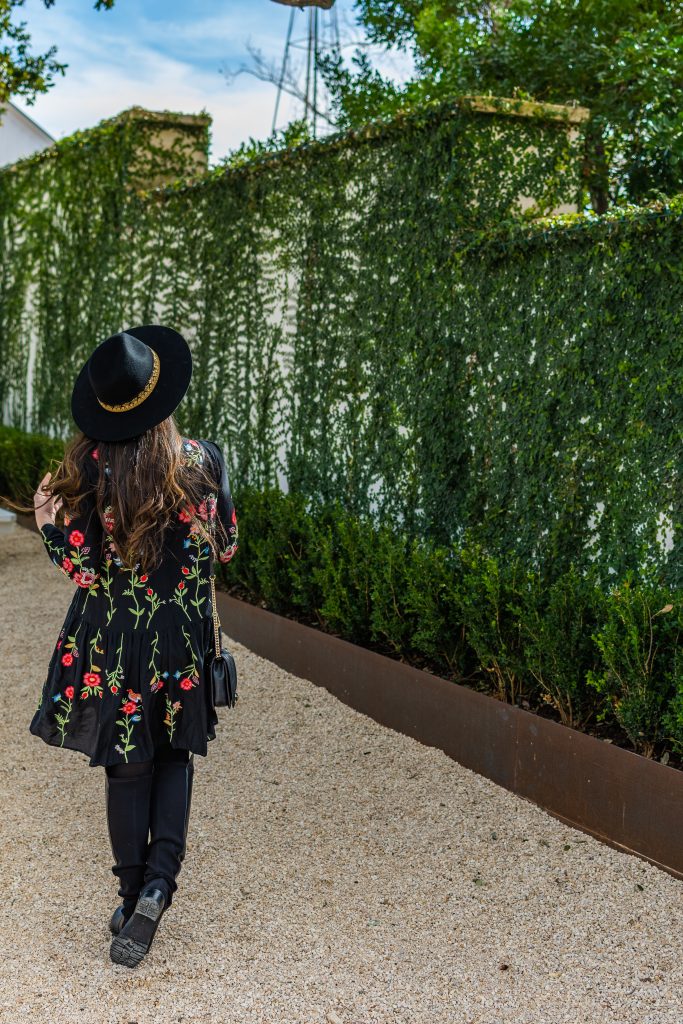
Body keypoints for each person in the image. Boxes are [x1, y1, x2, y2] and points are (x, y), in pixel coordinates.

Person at [26, 325, 238, 968]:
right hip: (179, 636)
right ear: (163, 394)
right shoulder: (201, 460)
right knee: (175, 758)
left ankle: (129, 894)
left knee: (127, 766)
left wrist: (45, 524)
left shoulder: (90, 469)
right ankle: (158, 886)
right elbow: (224, 549)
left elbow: (86, 569)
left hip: (115, 642)